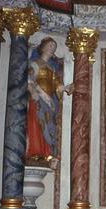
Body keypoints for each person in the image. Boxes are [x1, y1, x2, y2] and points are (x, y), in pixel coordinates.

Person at [26, 37, 73, 168]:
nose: (52, 48)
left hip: (49, 103)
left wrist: (67, 88)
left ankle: (46, 153)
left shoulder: (51, 68)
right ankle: (34, 152)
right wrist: (33, 91)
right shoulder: (35, 63)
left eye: (54, 46)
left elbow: (57, 86)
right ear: (44, 47)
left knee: (48, 127)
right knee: (36, 124)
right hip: (38, 99)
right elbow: (29, 79)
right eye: (50, 45)